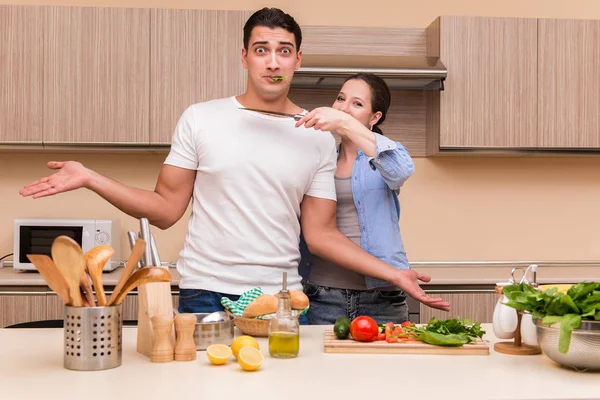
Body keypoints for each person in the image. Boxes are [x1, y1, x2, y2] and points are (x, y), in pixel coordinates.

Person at [18, 8, 450, 317]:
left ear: (298, 59)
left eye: (284, 50)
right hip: (205, 292)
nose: (273, 61)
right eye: (262, 49)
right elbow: (166, 210)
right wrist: (91, 177)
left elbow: (321, 235)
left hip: (282, 299)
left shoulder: (317, 136)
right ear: (245, 56)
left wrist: (394, 275)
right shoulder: (201, 118)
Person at [295, 73, 420, 325]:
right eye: (340, 99)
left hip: (382, 298)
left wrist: (342, 121)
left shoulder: (382, 159)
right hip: (322, 294)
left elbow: (402, 169)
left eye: (357, 103)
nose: (343, 107)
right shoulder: (321, 157)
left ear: (375, 118)